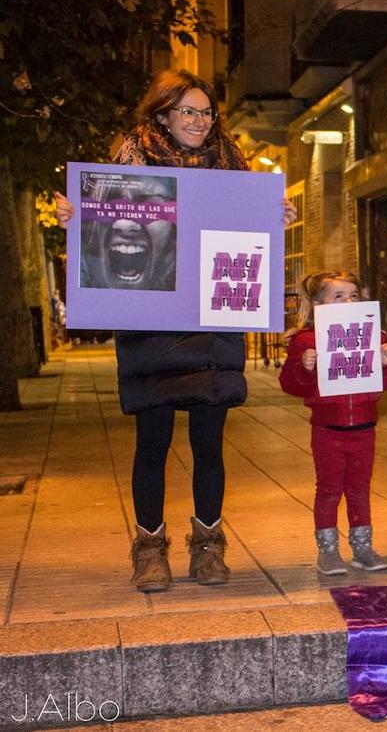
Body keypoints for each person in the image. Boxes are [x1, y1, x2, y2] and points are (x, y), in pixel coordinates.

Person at [55, 69, 296, 592]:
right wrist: (73, 215)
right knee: (153, 440)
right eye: (188, 111)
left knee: (209, 441)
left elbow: (249, 236)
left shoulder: (234, 166)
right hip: (154, 323)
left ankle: (209, 546)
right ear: (163, 113)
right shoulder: (127, 165)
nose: (199, 121)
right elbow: (102, 227)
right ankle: (150, 549)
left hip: (211, 323)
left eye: (206, 112)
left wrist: (275, 218)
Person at [279, 271, 387, 575]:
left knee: (359, 488)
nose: (348, 301)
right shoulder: (305, 341)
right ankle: (328, 551)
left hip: (364, 427)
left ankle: (362, 548)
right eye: (338, 296)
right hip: (327, 430)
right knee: (328, 489)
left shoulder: (374, 335)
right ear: (318, 304)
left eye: (354, 295)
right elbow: (290, 384)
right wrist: (305, 367)